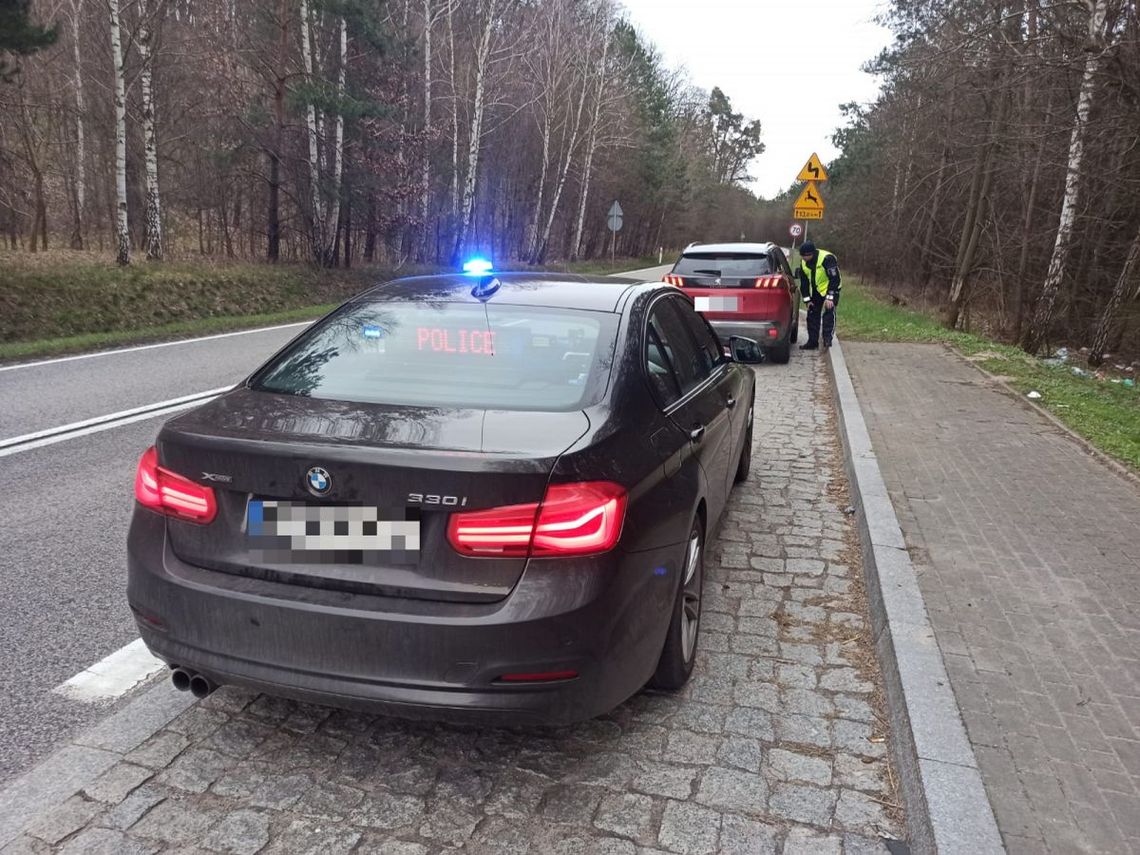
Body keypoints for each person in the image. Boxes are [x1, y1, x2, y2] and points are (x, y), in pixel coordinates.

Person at [795, 241, 841, 349]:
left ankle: (827, 340)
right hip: (816, 291)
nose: (803, 259)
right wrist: (807, 300)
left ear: (810, 254)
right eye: (801, 256)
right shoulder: (803, 262)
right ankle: (812, 342)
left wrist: (830, 297)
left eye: (804, 256)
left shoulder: (827, 259)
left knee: (829, 313)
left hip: (831, 289)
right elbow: (804, 282)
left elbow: (835, 279)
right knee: (812, 314)